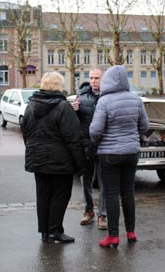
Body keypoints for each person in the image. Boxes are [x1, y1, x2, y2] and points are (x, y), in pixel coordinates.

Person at [21, 72, 85, 244]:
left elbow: (25, 131)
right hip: (60, 161)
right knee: (60, 195)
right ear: (59, 86)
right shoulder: (63, 107)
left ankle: (45, 231)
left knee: (43, 194)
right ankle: (55, 229)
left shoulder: (31, 106)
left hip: (38, 158)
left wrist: (32, 150)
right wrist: (80, 164)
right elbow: (73, 138)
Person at [90, 65, 149, 248]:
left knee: (111, 194)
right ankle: (131, 232)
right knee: (128, 192)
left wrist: (97, 140)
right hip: (131, 152)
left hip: (109, 154)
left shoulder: (104, 101)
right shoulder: (136, 99)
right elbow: (144, 126)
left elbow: (96, 130)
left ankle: (113, 236)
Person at [71, 68, 107, 230]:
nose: (93, 81)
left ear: (103, 79)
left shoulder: (108, 96)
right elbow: (75, 122)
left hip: (104, 145)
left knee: (104, 182)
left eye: (97, 78)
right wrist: (75, 111)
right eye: (91, 78)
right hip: (86, 146)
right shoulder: (82, 96)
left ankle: (102, 215)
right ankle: (89, 210)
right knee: (86, 182)